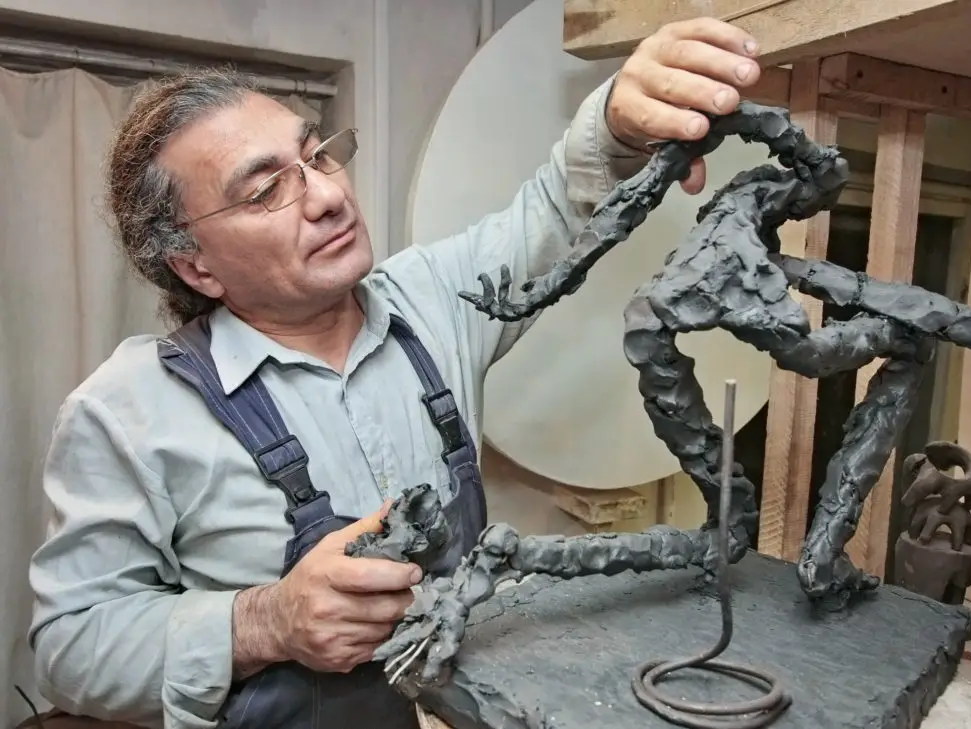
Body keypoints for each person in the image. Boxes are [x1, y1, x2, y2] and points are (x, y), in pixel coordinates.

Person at [26, 18, 763, 729]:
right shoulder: (127, 410)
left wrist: (621, 123)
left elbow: (554, 203)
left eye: (316, 155)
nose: (327, 195)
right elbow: (70, 648)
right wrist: (266, 620)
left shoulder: (431, 299)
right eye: (264, 191)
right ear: (196, 265)